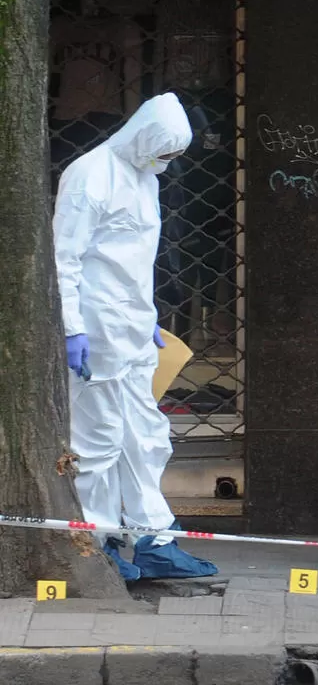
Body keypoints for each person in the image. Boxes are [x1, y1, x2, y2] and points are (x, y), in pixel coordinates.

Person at [53, 93, 218, 582]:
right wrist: (72, 328)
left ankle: (153, 539)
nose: (166, 164)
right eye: (164, 153)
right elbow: (66, 258)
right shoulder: (89, 176)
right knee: (98, 441)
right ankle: (98, 544)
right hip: (97, 331)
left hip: (131, 328)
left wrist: (145, 319)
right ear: (143, 136)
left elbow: (132, 258)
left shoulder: (144, 178)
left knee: (144, 436)